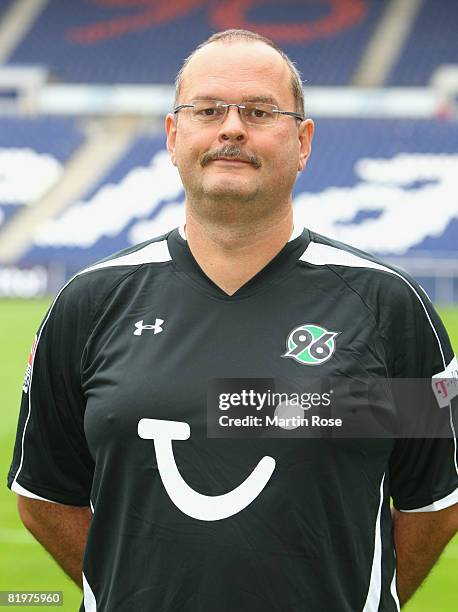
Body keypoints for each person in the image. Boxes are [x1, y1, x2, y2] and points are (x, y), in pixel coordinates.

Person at [8, 29, 458, 612]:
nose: (232, 127)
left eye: (260, 111)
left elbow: (435, 502)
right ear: (173, 136)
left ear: (303, 141)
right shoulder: (88, 304)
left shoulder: (391, 307)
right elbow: (45, 496)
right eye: (208, 109)